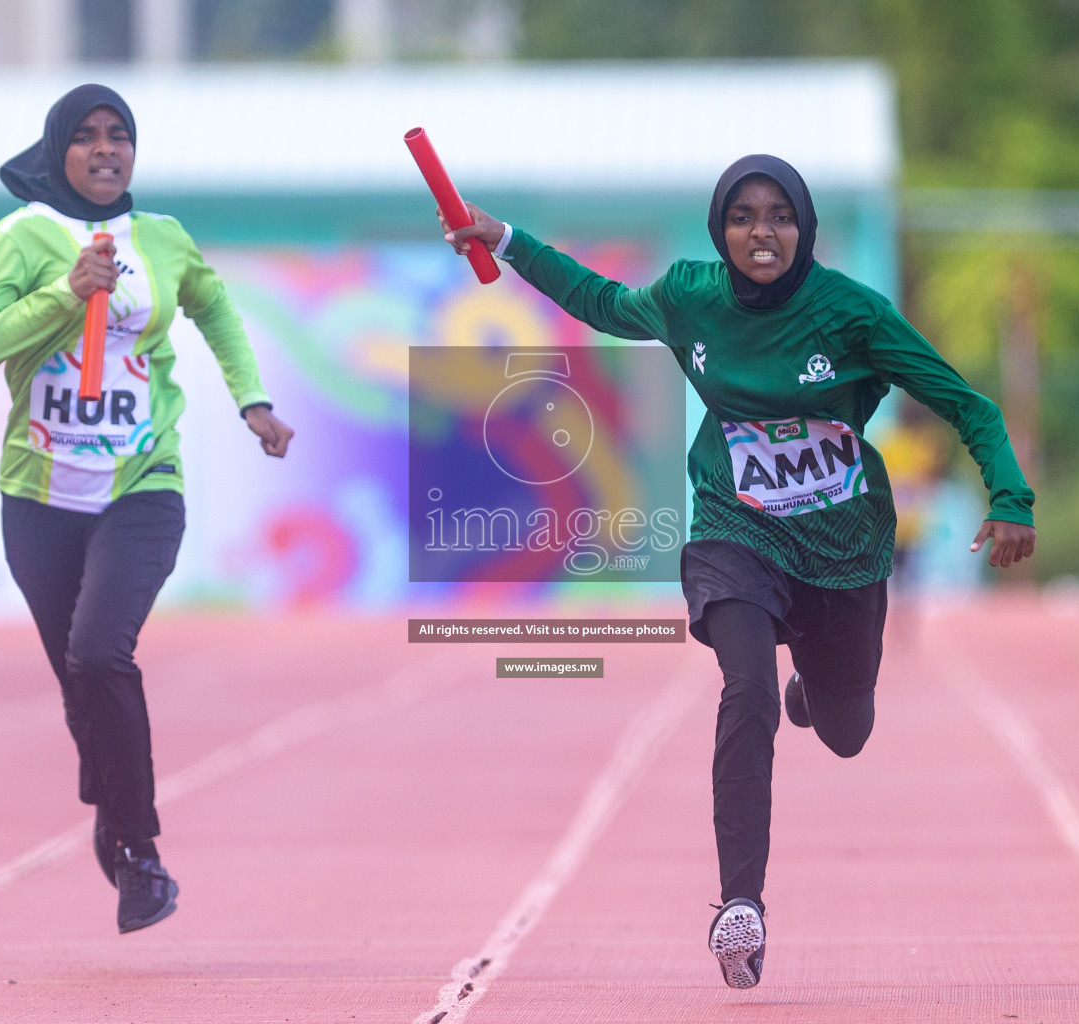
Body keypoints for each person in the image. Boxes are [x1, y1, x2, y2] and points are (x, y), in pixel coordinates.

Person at [438, 154, 1034, 988]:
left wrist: (1010, 498)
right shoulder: (691, 295)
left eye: (780, 216)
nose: (763, 232)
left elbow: (969, 406)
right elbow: (604, 304)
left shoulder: (853, 314)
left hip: (842, 547)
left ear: (805, 228)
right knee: (744, 685)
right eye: (745, 216)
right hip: (736, 527)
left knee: (846, 730)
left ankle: (814, 684)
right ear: (722, 229)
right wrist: (507, 239)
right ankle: (739, 907)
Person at [0, 84, 294, 934]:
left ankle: (139, 854)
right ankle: (112, 801)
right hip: (38, 498)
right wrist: (63, 294)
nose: (107, 150)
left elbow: (213, 307)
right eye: (89, 138)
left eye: (121, 137)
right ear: (59, 148)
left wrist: (252, 400)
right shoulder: (22, 236)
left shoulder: (163, 240)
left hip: (142, 483)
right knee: (78, 681)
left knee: (102, 653)